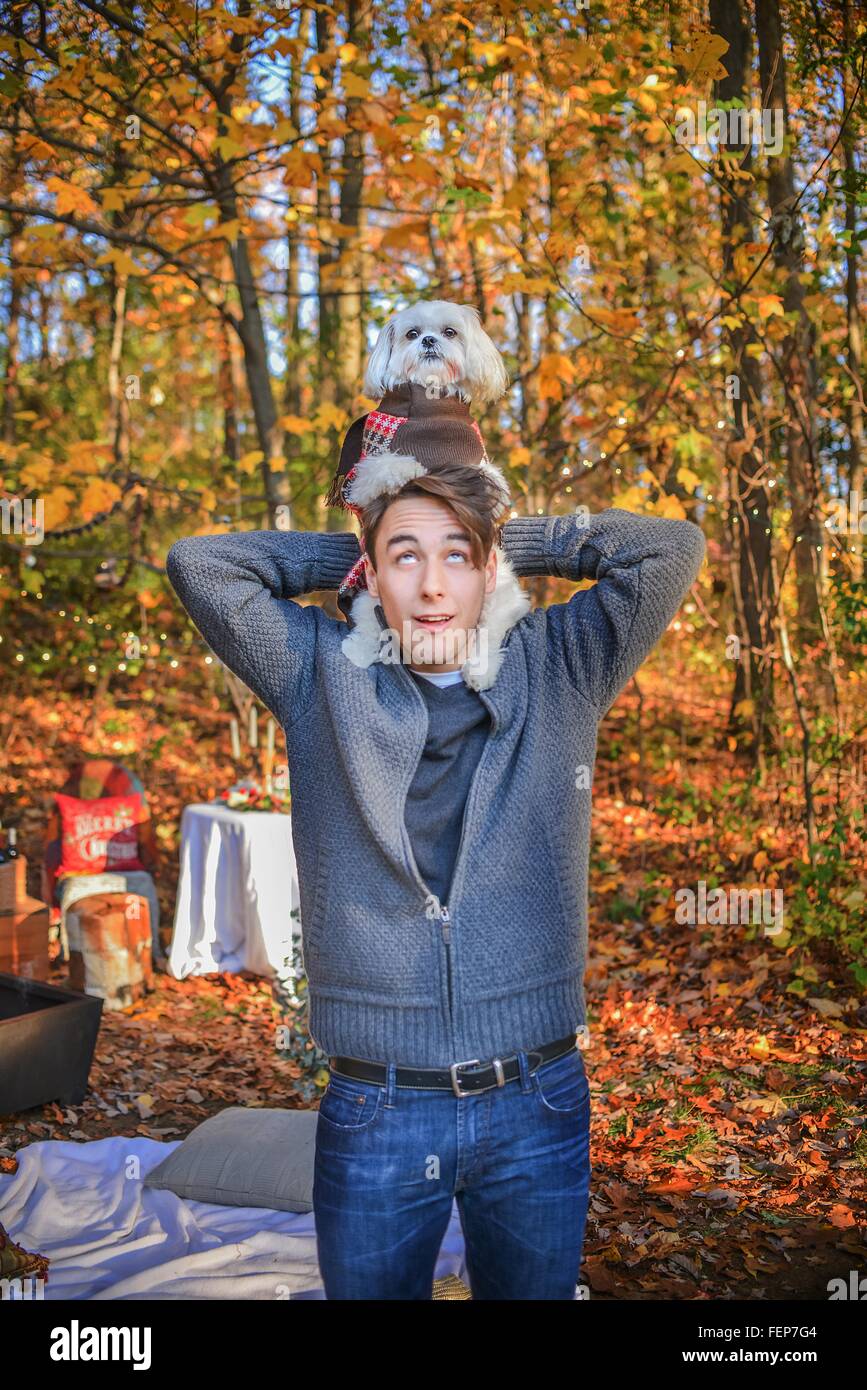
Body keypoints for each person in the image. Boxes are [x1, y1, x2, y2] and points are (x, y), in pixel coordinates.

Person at [165, 452, 706, 1299]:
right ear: (371, 576)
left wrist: (503, 535)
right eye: (404, 557)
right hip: (378, 1106)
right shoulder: (319, 673)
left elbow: (669, 548)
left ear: (492, 572)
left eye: (457, 555)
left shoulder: (562, 665)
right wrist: (355, 545)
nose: (430, 586)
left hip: (538, 1098)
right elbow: (199, 564)